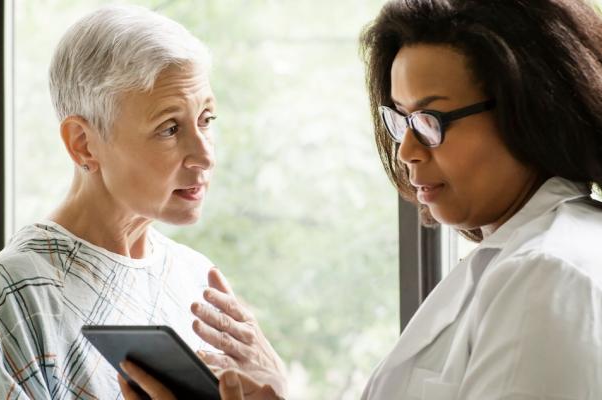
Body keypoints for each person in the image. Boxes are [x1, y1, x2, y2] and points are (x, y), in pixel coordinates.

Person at [119, 0, 602, 399]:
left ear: (530, 109)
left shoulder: (549, 277)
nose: (407, 151)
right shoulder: (522, 259)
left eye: (432, 122)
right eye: (400, 121)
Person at [0, 6, 219, 399]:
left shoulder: (198, 281)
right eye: (170, 128)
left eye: (207, 119)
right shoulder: (23, 290)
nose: (205, 155)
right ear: (83, 143)